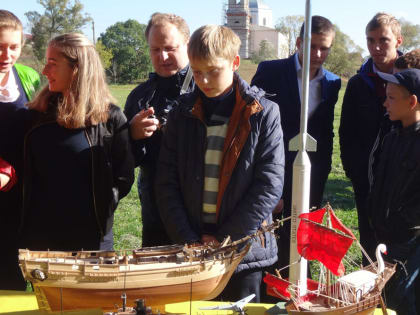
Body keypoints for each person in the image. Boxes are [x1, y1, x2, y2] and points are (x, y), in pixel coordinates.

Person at [155, 25, 284, 303]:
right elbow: (166, 181)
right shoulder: (181, 113)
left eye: (213, 70)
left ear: (235, 62)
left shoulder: (263, 113)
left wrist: (225, 240)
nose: (203, 80)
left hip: (242, 251)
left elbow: (269, 185)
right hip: (191, 249)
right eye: (197, 71)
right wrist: (189, 239)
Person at [19, 33, 134, 252]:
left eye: (52, 64)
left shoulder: (112, 119)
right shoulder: (34, 116)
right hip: (41, 240)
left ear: (77, 68)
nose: (44, 71)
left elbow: (124, 177)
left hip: (92, 240)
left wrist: (101, 206)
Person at [251, 15, 340, 276]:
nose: (318, 53)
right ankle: (269, 285)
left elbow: (324, 134)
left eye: (324, 48)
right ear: (299, 42)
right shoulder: (271, 71)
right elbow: (254, 125)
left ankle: (297, 280)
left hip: (310, 170)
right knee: (272, 232)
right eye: (312, 46)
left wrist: (320, 176)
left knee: (301, 234)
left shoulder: (332, 83)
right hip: (273, 167)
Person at [124, 13, 194, 247]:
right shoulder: (139, 96)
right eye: (155, 50)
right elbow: (124, 161)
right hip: (155, 208)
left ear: (187, 44)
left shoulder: (207, 88)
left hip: (200, 207)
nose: (162, 57)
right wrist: (131, 136)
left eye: (169, 48)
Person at [339, 13, 402, 263]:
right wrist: (353, 170)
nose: (376, 47)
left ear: (398, 40)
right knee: (370, 241)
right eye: (370, 40)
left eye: (383, 40)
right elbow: (347, 131)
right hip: (366, 178)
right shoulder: (358, 83)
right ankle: (372, 296)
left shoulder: (413, 77)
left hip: (405, 177)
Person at [368, 68, 420, 315]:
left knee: (402, 301)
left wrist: (401, 225)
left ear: (412, 102)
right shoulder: (391, 138)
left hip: (410, 245)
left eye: (391, 98)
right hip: (385, 240)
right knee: (384, 300)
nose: (384, 103)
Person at [0, 9, 40, 290]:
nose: (7, 55)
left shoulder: (29, 78)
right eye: (0, 47)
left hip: (22, 195)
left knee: (13, 272)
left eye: (14, 47)